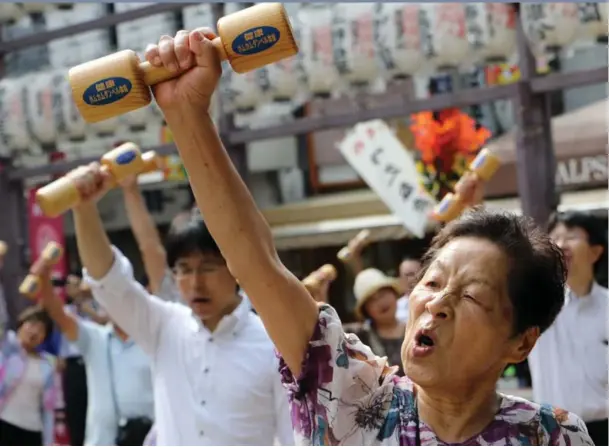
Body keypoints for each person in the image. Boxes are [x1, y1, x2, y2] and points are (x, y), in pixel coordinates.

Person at [134, 29, 593, 445]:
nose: (436, 303)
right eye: (432, 283)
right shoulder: (349, 393)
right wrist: (187, 114)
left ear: (521, 342)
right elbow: (255, 262)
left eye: (472, 297)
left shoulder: (552, 436)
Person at [61, 159, 293, 444]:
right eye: (183, 269)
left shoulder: (273, 346)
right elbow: (109, 281)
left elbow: (292, 436)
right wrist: (83, 208)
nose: (195, 283)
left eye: (208, 267)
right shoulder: (165, 326)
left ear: (236, 268)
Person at [32, 266, 155, 446]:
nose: (117, 306)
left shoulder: (151, 341)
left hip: (150, 439)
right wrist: (43, 277)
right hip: (102, 441)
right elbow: (58, 314)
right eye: (110, 300)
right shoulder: (95, 338)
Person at [529, 211, 608, 445]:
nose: (561, 244)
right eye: (556, 237)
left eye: (571, 236)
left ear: (595, 252)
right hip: (551, 430)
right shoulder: (536, 303)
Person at [0, 306, 58, 446]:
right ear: (21, 325)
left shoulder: (48, 365)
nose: (35, 332)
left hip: (32, 431)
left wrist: (48, 441)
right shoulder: (6, 349)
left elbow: (48, 408)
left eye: (41, 330)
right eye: (31, 325)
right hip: (4, 423)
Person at [344, 268, 406, 376]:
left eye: (383, 294)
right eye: (372, 300)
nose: (381, 302)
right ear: (366, 310)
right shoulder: (360, 337)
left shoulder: (414, 329)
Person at [396, 255, 421, 322]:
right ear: (400, 279)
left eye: (419, 274)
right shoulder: (394, 309)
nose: (413, 279)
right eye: (409, 275)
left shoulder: (433, 304)